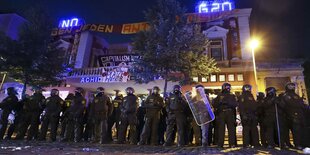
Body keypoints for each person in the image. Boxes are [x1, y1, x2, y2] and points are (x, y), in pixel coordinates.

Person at [281, 83, 307, 150]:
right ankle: (296, 144)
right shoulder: (286, 95)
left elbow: (300, 104)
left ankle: (300, 143)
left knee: (299, 131)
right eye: (290, 86)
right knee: (295, 131)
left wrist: (302, 103)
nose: (292, 87)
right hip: (290, 115)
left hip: (299, 114)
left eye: (293, 86)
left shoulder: (296, 95)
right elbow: (290, 104)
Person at [213, 83, 237, 148]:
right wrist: (219, 103)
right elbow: (214, 104)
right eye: (227, 87)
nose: (228, 88)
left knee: (231, 129)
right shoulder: (219, 95)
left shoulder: (232, 95)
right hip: (222, 113)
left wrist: (228, 103)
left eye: (229, 87)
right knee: (221, 129)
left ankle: (232, 143)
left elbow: (235, 104)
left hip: (229, 112)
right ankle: (220, 144)